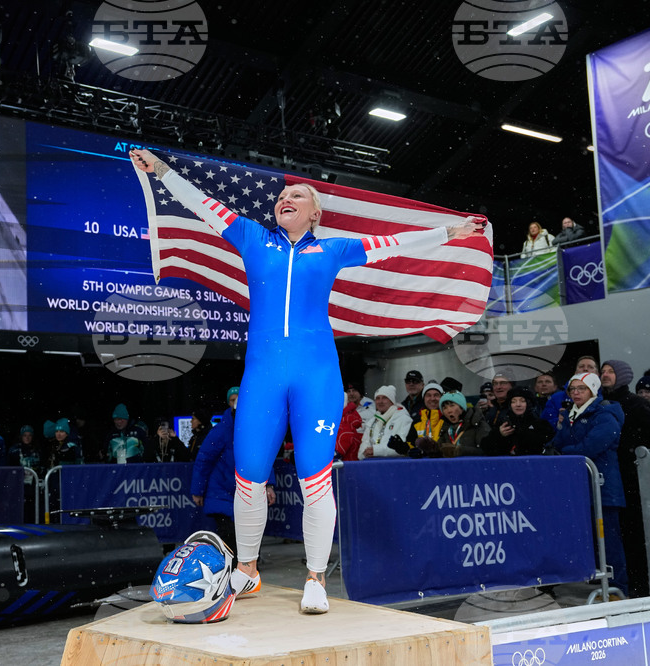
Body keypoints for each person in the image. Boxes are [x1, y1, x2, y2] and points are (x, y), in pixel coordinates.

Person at [131, 146, 484, 613]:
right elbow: (201, 205)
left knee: (313, 481)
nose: (285, 198)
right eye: (282, 194)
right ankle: (248, 570)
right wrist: (161, 171)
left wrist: (450, 232)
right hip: (262, 379)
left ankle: (316, 579)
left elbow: (393, 244)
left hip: (317, 378)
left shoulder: (333, 249)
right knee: (248, 480)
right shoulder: (254, 238)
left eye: (297, 194)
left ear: (316, 212)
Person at [551, 372, 628, 598]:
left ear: (593, 391)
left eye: (581, 388)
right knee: (591, 541)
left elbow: (590, 446)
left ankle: (618, 588)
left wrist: (561, 453)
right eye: (572, 389)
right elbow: (559, 441)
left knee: (610, 542)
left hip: (604, 489)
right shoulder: (571, 415)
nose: (575, 393)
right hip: (580, 489)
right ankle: (597, 585)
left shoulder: (605, 414)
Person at [190, 404, 275, 562]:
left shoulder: (255, 431)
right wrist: (197, 490)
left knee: (250, 537)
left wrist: (269, 484)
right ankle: (234, 572)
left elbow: (264, 459)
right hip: (222, 493)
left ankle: (248, 572)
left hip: (248, 493)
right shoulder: (221, 432)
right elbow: (204, 460)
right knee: (230, 540)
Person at [601, 360, 650, 597]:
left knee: (635, 534)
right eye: (603, 371)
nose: (605, 375)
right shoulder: (600, 404)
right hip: (612, 478)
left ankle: (640, 584)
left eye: (610, 371)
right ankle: (626, 583)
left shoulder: (637, 405)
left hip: (633, 478)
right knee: (618, 535)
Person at [481, 386, 553, 456]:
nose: (518, 405)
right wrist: (499, 434)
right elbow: (487, 449)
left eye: (522, 401)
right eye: (514, 401)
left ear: (529, 404)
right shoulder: (504, 425)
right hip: (507, 465)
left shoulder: (540, 424)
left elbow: (543, 447)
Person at [542, 356, 600, 427]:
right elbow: (544, 425)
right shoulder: (556, 398)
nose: (585, 369)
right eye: (581, 366)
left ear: (597, 374)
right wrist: (559, 423)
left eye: (590, 367)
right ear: (575, 373)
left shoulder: (607, 396)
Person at [359, 386, 414, 459]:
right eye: (378, 398)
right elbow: (364, 443)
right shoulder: (372, 421)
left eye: (384, 398)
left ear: (392, 401)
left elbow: (400, 447)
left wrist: (375, 451)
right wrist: (364, 453)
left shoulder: (403, 418)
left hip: (394, 465)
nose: (380, 401)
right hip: (371, 464)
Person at [437, 391, 490, 457]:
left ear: (462, 407)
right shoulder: (446, 429)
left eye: (452, 405)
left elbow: (487, 451)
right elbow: (440, 454)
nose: (449, 410)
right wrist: (432, 448)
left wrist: (460, 451)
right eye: (445, 408)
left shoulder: (477, 424)